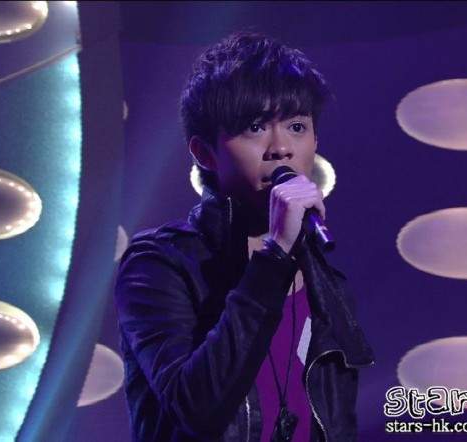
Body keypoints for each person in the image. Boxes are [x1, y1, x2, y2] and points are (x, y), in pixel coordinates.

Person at [114, 30, 375, 442]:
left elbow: (337, 423)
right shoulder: (158, 265)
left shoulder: (327, 283)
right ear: (204, 153)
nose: (281, 148)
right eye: (255, 127)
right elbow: (197, 410)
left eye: (296, 126)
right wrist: (276, 255)